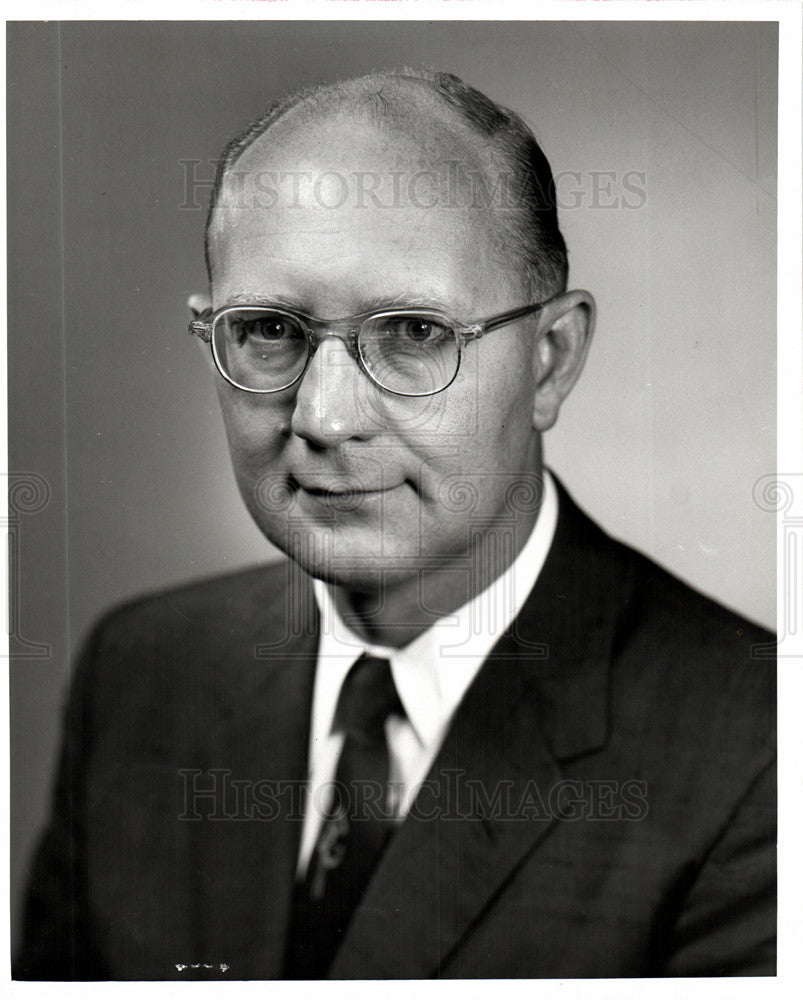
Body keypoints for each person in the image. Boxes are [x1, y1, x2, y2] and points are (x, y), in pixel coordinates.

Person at [14, 69, 775, 980]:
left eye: (413, 334)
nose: (325, 419)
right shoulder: (140, 672)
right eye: (269, 329)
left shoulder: (760, 753)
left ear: (550, 361)